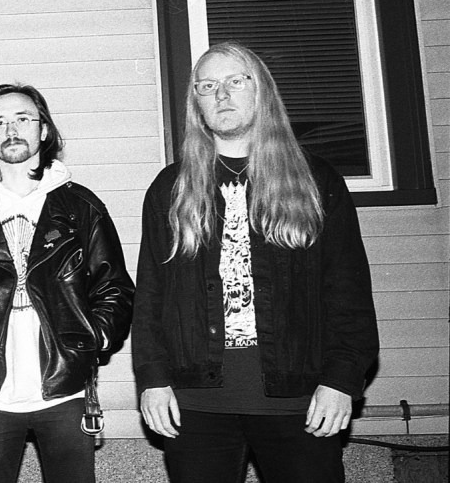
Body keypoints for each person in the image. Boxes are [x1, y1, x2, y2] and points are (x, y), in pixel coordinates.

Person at [132, 42, 380, 482]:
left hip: (301, 399)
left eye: (235, 81)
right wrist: (152, 379)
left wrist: (342, 380)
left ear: (261, 90)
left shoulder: (315, 181)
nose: (221, 94)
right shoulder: (171, 188)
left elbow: (349, 293)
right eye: (207, 86)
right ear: (196, 104)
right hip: (196, 404)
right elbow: (150, 296)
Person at [0, 83, 135, 482]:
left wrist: (91, 341)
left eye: (23, 118)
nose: (11, 129)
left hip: (66, 389)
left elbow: (114, 288)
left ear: (44, 129)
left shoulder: (80, 207)